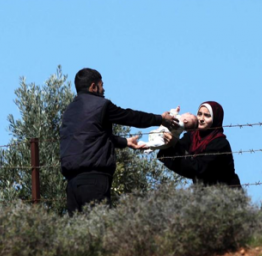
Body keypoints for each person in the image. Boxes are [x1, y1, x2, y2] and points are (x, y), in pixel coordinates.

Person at [60, 68, 179, 216]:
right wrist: (160, 119)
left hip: (72, 184)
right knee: (100, 231)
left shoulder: (69, 111)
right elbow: (130, 117)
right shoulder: (100, 105)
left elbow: (93, 136)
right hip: (94, 180)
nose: (104, 89)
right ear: (93, 87)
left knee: (77, 235)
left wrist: (125, 142)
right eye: (101, 85)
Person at [157, 101, 241, 187]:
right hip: (203, 195)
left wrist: (175, 145)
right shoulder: (192, 136)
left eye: (207, 116)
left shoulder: (220, 143)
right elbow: (167, 156)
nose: (201, 119)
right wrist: (170, 135)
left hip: (226, 195)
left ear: (215, 119)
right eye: (199, 114)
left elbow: (199, 169)